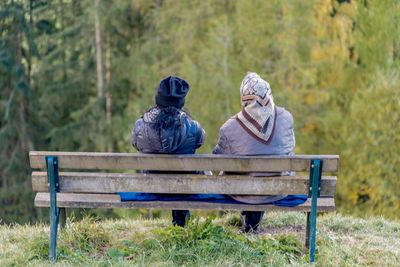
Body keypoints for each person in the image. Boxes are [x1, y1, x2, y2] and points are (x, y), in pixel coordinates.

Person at [213, 72, 295, 233]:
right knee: (264, 170)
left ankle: (249, 222)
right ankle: (251, 225)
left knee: (235, 170)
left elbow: (217, 157)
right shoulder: (286, 117)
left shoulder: (229, 127)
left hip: (241, 192)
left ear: (244, 98)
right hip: (278, 190)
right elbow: (289, 148)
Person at [131, 76, 205, 227]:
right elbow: (200, 141)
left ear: (158, 99)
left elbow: (135, 143)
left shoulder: (141, 126)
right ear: (181, 102)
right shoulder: (193, 127)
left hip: (152, 185)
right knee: (190, 170)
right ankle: (181, 222)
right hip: (185, 187)